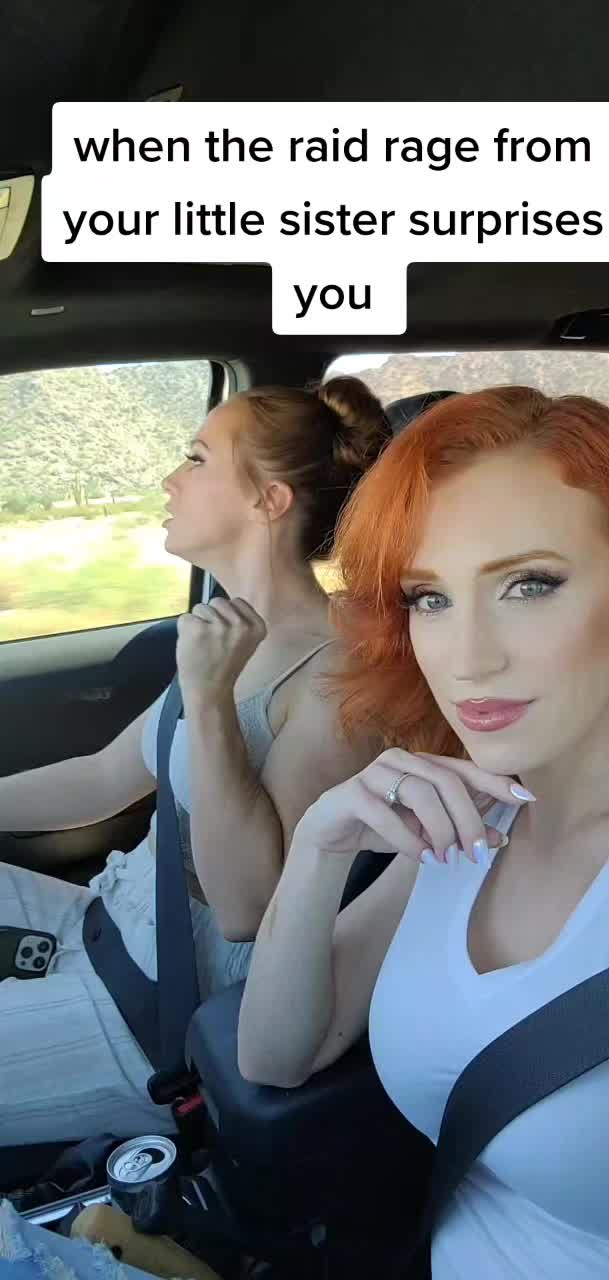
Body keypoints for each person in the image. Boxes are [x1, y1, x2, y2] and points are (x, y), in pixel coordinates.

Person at [238, 385, 609, 1278]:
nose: (467, 658)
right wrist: (317, 848)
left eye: (529, 585)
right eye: (429, 598)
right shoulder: (471, 813)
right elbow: (275, 1055)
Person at [0, 375, 388, 1148]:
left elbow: (246, 910)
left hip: (155, 1010)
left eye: (198, 459)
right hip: (101, 922)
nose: (171, 479)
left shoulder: (331, 683)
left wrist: (209, 702)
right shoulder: (226, 631)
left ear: (268, 501)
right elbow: (104, 778)